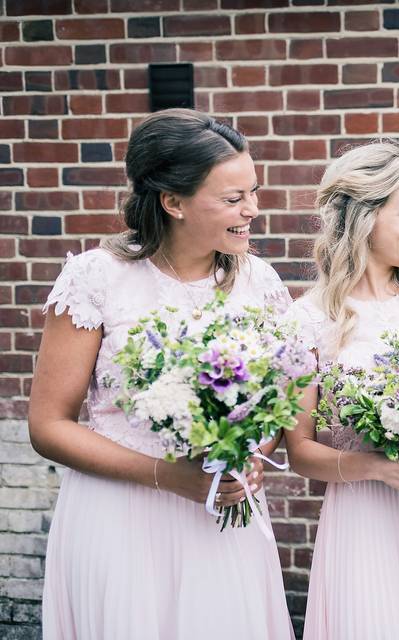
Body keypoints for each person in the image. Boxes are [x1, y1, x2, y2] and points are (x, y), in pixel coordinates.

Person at [29, 109, 293, 639]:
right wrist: (169, 477)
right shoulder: (98, 277)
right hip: (119, 518)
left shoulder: (258, 282)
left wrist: (253, 452)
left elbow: (274, 398)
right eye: (233, 198)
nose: (253, 211)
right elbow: (48, 426)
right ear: (173, 202)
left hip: (223, 512)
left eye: (254, 192)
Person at [284, 141, 399, 640]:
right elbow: (299, 450)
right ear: (365, 216)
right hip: (362, 518)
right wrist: (383, 468)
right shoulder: (310, 319)